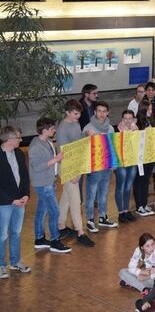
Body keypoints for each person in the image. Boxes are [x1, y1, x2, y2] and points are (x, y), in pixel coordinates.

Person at [55, 99, 95, 247]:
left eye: (79, 113)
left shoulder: (75, 123)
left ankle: (60, 225)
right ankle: (80, 231)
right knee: (75, 199)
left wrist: (86, 135)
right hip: (66, 166)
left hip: (75, 165)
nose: (78, 116)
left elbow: (77, 142)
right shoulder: (62, 128)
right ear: (67, 112)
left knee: (67, 196)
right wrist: (73, 172)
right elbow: (64, 151)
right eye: (75, 113)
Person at [29, 117, 70, 254]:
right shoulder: (35, 146)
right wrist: (55, 160)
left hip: (48, 181)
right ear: (45, 130)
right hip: (42, 183)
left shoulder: (47, 141)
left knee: (42, 211)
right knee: (54, 211)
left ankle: (39, 239)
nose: (54, 130)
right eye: (52, 129)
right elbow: (37, 167)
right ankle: (54, 240)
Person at [0, 126, 31, 278]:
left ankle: (15, 261)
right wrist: (10, 200)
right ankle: (1, 265)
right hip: (4, 203)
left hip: (20, 200)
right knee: (2, 235)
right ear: (10, 139)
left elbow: (24, 175)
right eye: (18, 137)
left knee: (16, 233)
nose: (20, 140)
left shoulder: (19, 153)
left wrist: (26, 194)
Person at [82, 101, 118, 232]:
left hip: (107, 166)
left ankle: (103, 217)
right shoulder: (88, 128)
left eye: (104, 111)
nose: (102, 114)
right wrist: (87, 136)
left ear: (107, 113)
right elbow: (83, 147)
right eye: (99, 111)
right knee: (91, 194)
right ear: (95, 112)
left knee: (103, 193)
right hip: (94, 167)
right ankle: (90, 219)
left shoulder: (110, 128)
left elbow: (113, 146)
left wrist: (113, 163)